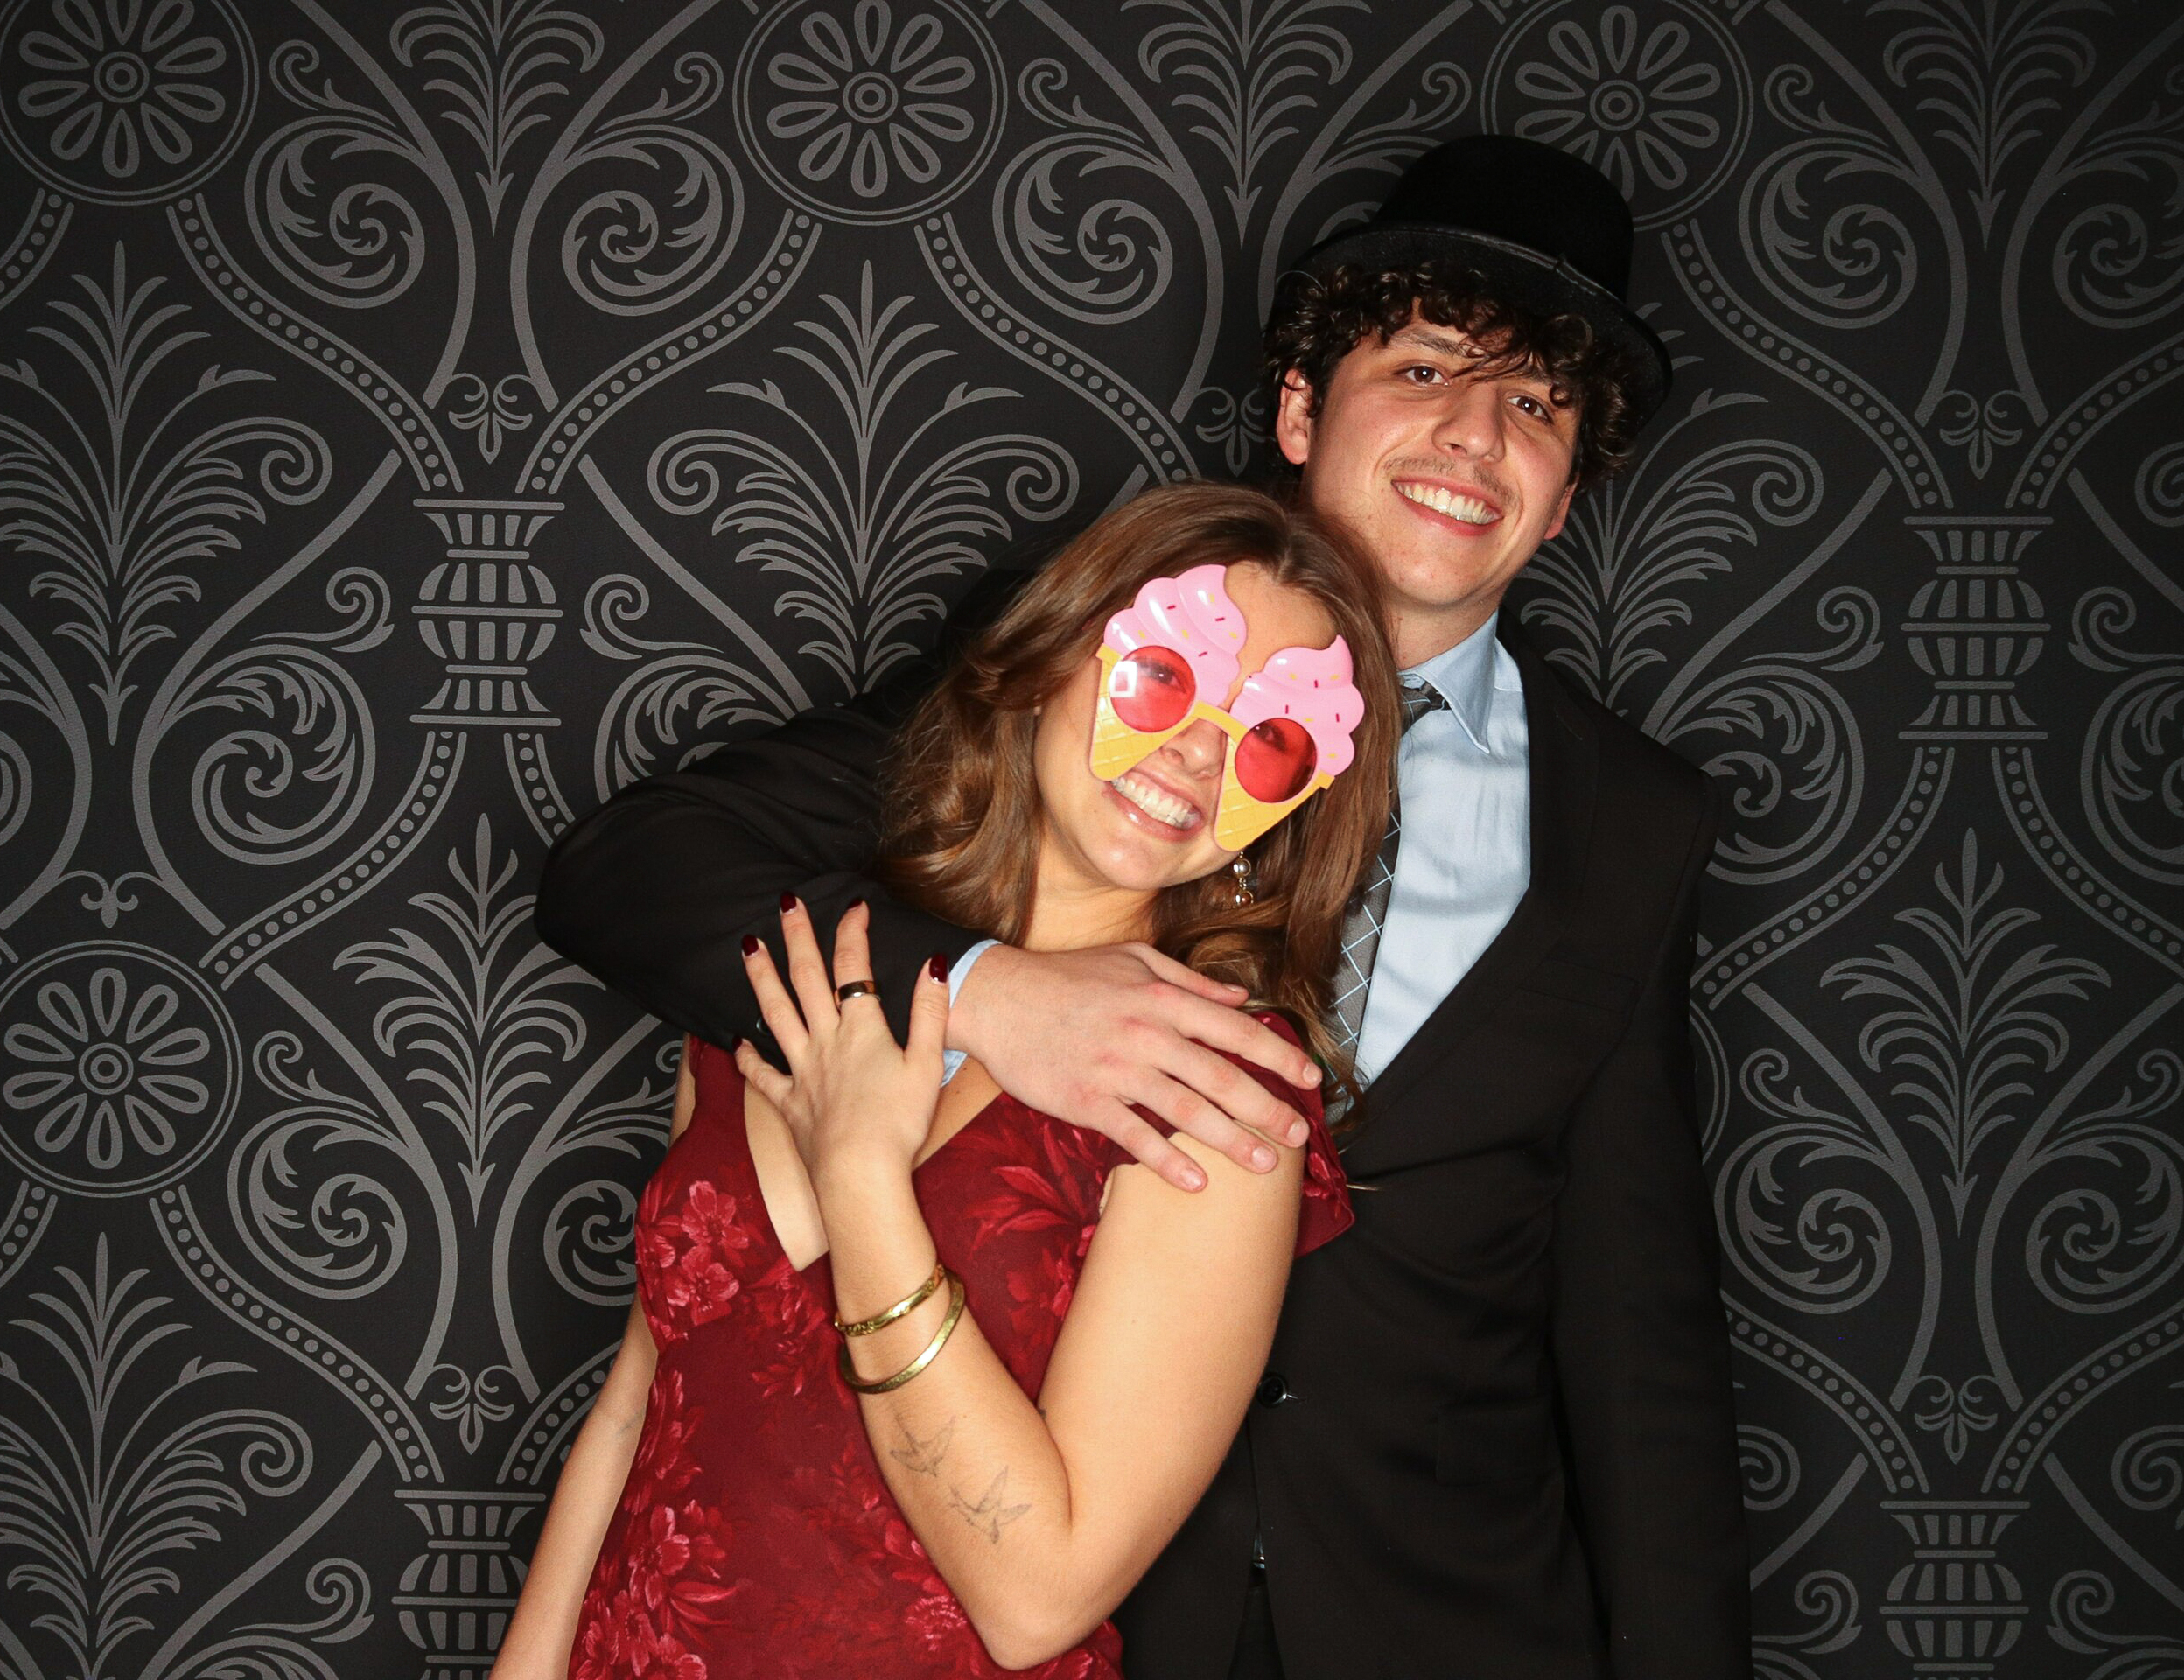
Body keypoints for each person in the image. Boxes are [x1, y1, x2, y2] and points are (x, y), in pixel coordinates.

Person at [538, 135, 1751, 1678]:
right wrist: (992, 993)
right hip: (1096, 1616)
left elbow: (1642, 1331)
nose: (1474, 432)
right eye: (1427, 367)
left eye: (1538, 406)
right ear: (1300, 409)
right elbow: (634, 866)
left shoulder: (1632, 826)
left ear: (1565, 497)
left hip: (1438, 1620)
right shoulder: (1089, 649)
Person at [494, 484, 1401, 1677]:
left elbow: (1038, 1599)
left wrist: (863, 1180)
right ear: (1051, 658)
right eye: (1164, 676)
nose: (1197, 751)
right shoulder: (804, 961)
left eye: (1271, 742)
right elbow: (640, 1397)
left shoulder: (1213, 1097)